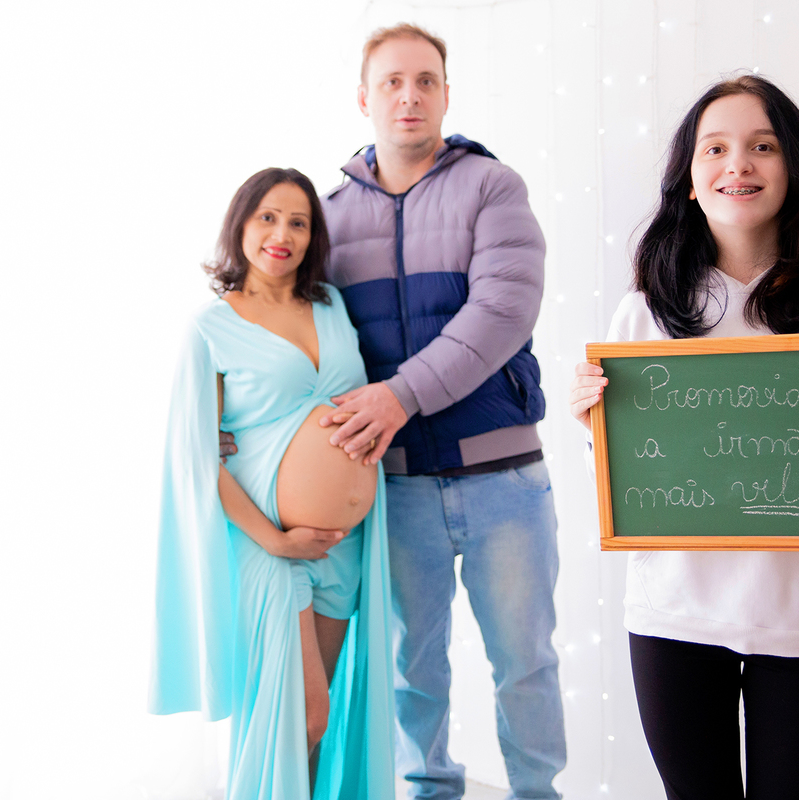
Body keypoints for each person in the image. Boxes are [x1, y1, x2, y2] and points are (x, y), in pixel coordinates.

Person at [569, 75, 799, 800]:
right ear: (690, 180)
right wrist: (594, 429)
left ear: (793, 168)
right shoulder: (648, 307)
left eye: (763, 146)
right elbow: (629, 475)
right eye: (717, 148)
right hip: (675, 614)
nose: (740, 164)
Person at [317, 23, 565, 800]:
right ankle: (427, 790)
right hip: (391, 488)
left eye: (425, 80)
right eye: (392, 82)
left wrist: (399, 395)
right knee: (408, 668)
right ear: (364, 98)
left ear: (447, 94)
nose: (409, 95)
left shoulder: (493, 188)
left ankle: (537, 793)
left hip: (505, 479)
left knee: (525, 662)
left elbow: (501, 313)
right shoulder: (323, 217)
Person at [149, 168, 395, 799]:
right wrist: (276, 539)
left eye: (298, 221)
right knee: (299, 716)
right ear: (240, 224)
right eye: (267, 217)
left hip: (344, 548)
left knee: (318, 724)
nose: (281, 234)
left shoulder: (331, 305)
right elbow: (195, 456)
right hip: (272, 545)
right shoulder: (211, 327)